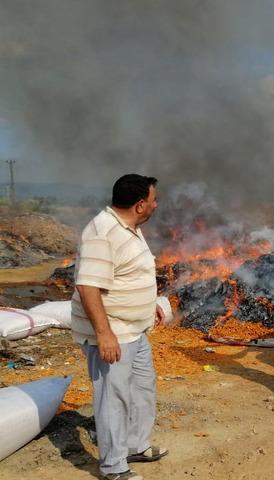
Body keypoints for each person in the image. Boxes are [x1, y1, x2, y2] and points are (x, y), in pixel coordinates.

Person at [71, 174, 167, 480]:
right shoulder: (103, 232)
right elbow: (88, 287)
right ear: (140, 205)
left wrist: (147, 304)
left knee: (142, 390)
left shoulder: (129, 228)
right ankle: (114, 467)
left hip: (135, 331)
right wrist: (104, 334)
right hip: (114, 335)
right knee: (112, 400)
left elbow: (128, 274)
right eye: (153, 199)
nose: (156, 204)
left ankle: (135, 446)